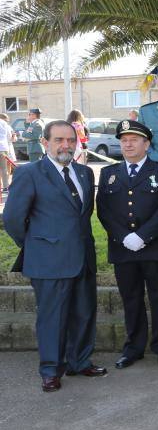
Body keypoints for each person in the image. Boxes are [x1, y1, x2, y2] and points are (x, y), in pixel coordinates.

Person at [3, 121, 106, 392]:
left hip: (82, 256)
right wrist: (36, 245)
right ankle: (51, 369)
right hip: (48, 260)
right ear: (45, 143)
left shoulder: (85, 173)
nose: (66, 145)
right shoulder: (30, 173)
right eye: (59, 140)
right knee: (53, 317)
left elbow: (83, 215)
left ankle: (79, 361)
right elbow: (12, 218)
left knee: (84, 312)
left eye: (71, 140)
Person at [96, 120, 158, 369]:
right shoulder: (109, 173)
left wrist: (143, 236)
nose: (128, 144)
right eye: (123, 140)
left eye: (133, 140)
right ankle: (133, 347)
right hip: (123, 249)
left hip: (154, 247)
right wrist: (123, 237)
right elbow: (104, 210)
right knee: (130, 298)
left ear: (147, 144)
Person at [0, 113, 14, 191]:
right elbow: (9, 136)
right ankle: (6, 186)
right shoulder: (4, 123)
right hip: (3, 147)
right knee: (4, 168)